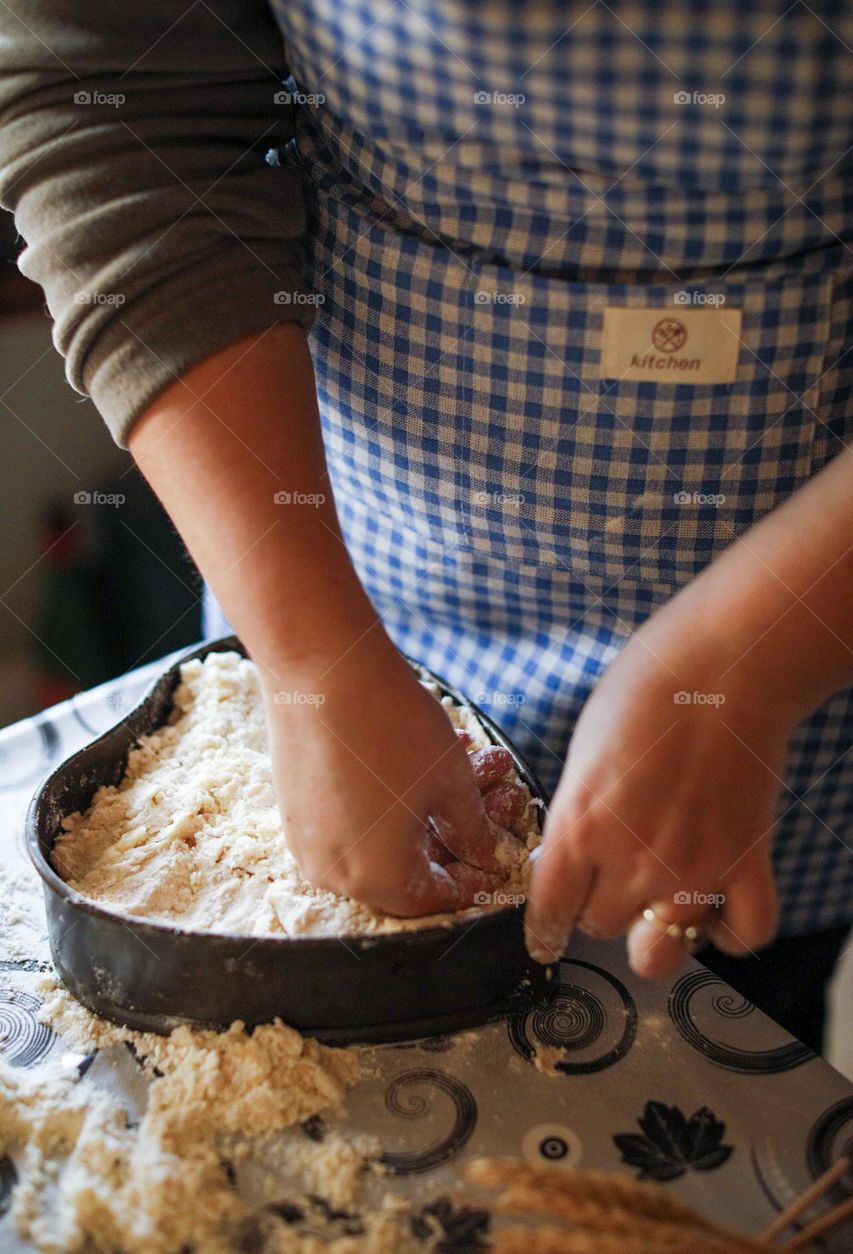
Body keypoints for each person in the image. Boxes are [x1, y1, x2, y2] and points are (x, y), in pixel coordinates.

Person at [1, 0, 850, 1052]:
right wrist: (316, 657)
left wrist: (755, 655)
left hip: (796, 672)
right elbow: (120, 107)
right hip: (342, 566)